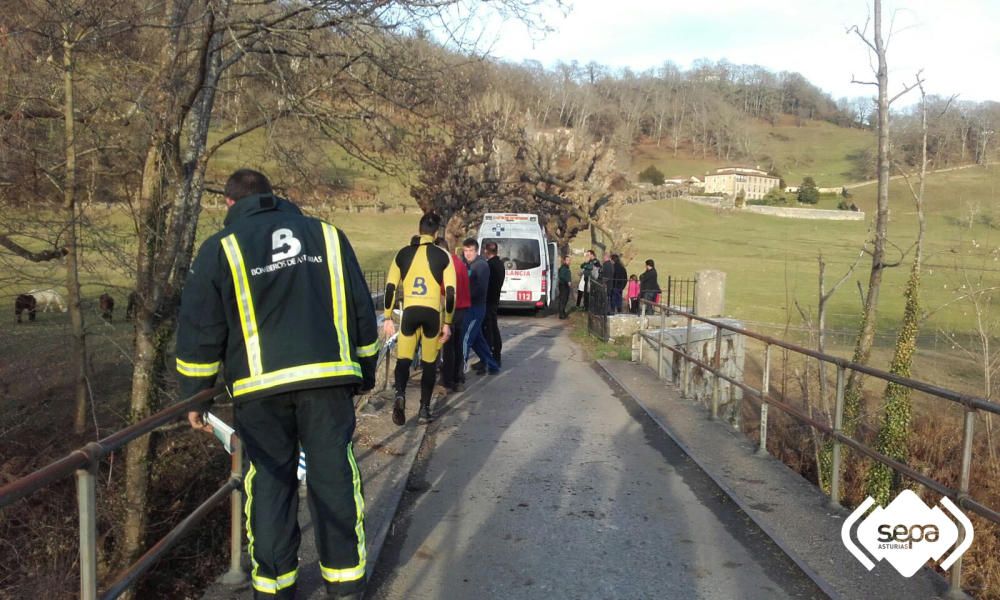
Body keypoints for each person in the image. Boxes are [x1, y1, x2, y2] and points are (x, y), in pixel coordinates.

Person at [178, 169, 378, 600]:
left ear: (230, 205)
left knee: (268, 482)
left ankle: (273, 586)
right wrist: (365, 368)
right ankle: (344, 582)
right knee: (333, 476)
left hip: (259, 389)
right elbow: (361, 307)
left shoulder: (221, 248)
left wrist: (193, 395)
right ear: (274, 197)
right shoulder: (327, 236)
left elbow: (200, 328)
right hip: (327, 380)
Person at [383, 214, 456, 425]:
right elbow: (450, 292)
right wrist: (448, 323)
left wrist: (388, 316)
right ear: (436, 233)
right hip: (432, 314)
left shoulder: (403, 254)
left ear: (419, 229)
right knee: (429, 363)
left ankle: (400, 394)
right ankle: (424, 409)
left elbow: (390, 288)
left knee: (404, 360)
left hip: (411, 311)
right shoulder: (443, 256)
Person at [461, 238, 500, 375]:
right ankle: (493, 365)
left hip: (476, 307)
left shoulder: (481, 265)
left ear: (476, 251)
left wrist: (463, 295)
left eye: (471, 251)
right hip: (467, 307)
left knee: (465, 338)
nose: (468, 254)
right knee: (478, 341)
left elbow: (481, 289)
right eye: (465, 250)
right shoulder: (464, 264)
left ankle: (460, 371)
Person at [438, 238, 470, 392]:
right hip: (462, 308)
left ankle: (448, 380)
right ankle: (458, 377)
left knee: (448, 346)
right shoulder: (460, 263)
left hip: (452, 309)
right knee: (457, 345)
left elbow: (444, 291)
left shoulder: (446, 266)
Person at [482, 240, 505, 368]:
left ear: (486, 251)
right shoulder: (500, 264)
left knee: (489, 330)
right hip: (495, 300)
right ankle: (495, 355)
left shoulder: (489, 265)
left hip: (488, 301)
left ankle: (490, 357)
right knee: (493, 328)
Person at [557, 254, 572, 319]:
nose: (569, 262)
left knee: (565, 299)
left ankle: (563, 312)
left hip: (565, 285)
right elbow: (562, 276)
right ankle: (561, 314)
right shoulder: (563, 268)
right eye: (567, 260)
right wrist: (567, 281)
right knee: (563, 299)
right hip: (564, 285)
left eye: (569, 260)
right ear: (564, 261)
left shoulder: (566, 267)